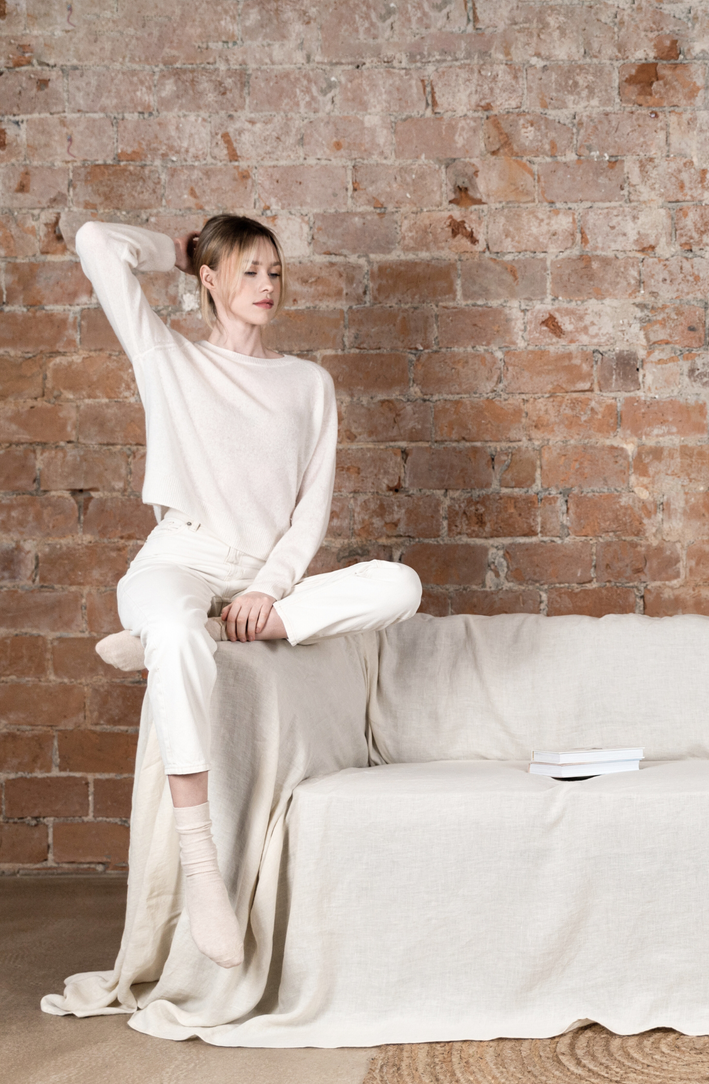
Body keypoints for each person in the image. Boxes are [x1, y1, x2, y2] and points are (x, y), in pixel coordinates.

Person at [75, 216, 423, 968]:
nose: (266, 286)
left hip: (265, 577)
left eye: (273, 272)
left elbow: (310, 512)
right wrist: (181, 249)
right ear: (210, 276)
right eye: (248, 271)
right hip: (183, 556)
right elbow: (96, 243)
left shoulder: (307, 384)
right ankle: (203, 867)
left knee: (399, 584)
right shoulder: (168, 357)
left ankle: (193, 634)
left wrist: (268, 590)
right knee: (169, 622)